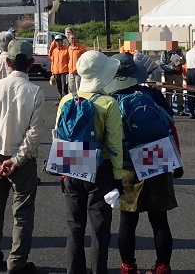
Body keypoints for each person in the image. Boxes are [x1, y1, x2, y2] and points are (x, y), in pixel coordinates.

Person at [104, 53, 183, 274]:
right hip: (157, 155)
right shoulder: (153, 95)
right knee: (159, 219)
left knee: (128, 219)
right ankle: (163, 267)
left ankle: (128, 266)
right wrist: (177, 160)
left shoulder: (110, 97)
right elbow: (171, 126)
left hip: (127, 162)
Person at [0, 40, 44, 274]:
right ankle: (17, 262)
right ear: (32, 63)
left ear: (7, 61)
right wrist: (16, 160)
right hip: (22, 162)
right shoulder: (35, 92)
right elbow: (34, 133)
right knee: (22, 213)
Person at [56, 51, 122, 274]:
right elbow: (115, 145)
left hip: (71, 164)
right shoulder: (108, 103)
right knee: (100, 230)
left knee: (74, 228)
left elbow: (58, 136)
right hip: (98, 169)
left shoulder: (67, 99)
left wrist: (62, 171)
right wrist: (118, 177)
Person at [160, 47, 185, 113]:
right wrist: (172, 67)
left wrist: (182, 61)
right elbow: (162, 64)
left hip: (178, 74)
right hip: (169, 74)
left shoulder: (179, 51)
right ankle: (169, 107)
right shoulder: (164, 52)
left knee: (179, 90)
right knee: (168, 91)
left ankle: (180, 108)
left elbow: (184, 61)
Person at [50, 34, 69, 102]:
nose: (58, 42)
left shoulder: (66, 50)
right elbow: (53, 61)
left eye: (59, 41)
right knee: (58, 86)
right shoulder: (54, 51)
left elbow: (69, 60)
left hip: (64, 71)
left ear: (62, 41)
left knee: (65, 87)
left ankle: (66, 100)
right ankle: (60, 99)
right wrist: (52, 71)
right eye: (56, 41)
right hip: (56, 71)